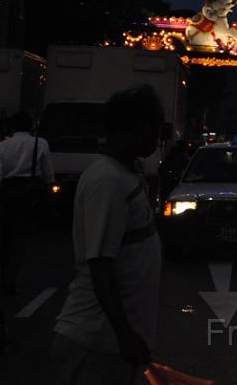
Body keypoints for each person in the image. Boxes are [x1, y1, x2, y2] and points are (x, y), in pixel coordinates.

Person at [53, 85, 165, 384]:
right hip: (96, 342)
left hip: (109, 344)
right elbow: (101, 265)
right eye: (154, 126)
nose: (157, 137)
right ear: (136, 128)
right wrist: (125, 336)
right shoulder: (109, 182)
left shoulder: (127, 175)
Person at [0, 111, 54, 295]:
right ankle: (11, 277)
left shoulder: (1, 146)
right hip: (29, 195)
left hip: (8, 193)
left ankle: (3, 274)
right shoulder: (40, 143)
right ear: (31, 126)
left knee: (5, 235)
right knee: (20, 237)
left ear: (11, 126)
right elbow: (48, 173)